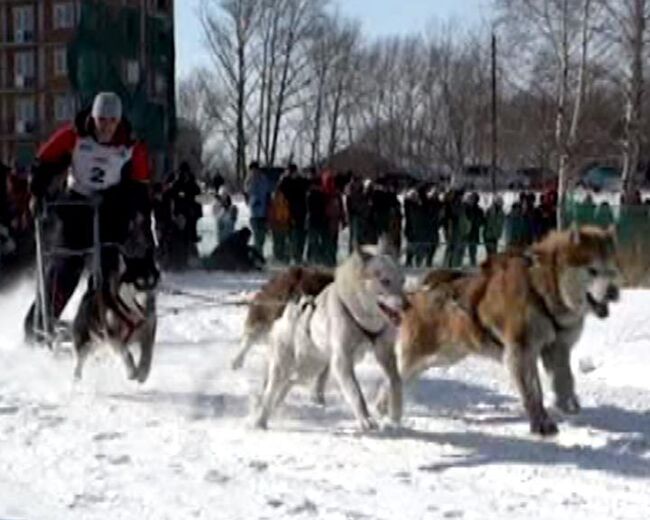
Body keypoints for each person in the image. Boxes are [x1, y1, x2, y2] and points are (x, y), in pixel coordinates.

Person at [23, 92, 152, 343]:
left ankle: (99, 320)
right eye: (101, 120)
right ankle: (40, 320)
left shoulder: (131, 146)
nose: (106, 127)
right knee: (66, 265)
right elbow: (44, 161)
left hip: (110, 208)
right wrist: (37, 192)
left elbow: (140, 187)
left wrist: (141, 223)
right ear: (93, 118)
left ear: (119, 121)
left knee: (107, 269)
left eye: (112, 121)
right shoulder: (74, 135)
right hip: (76, 204)